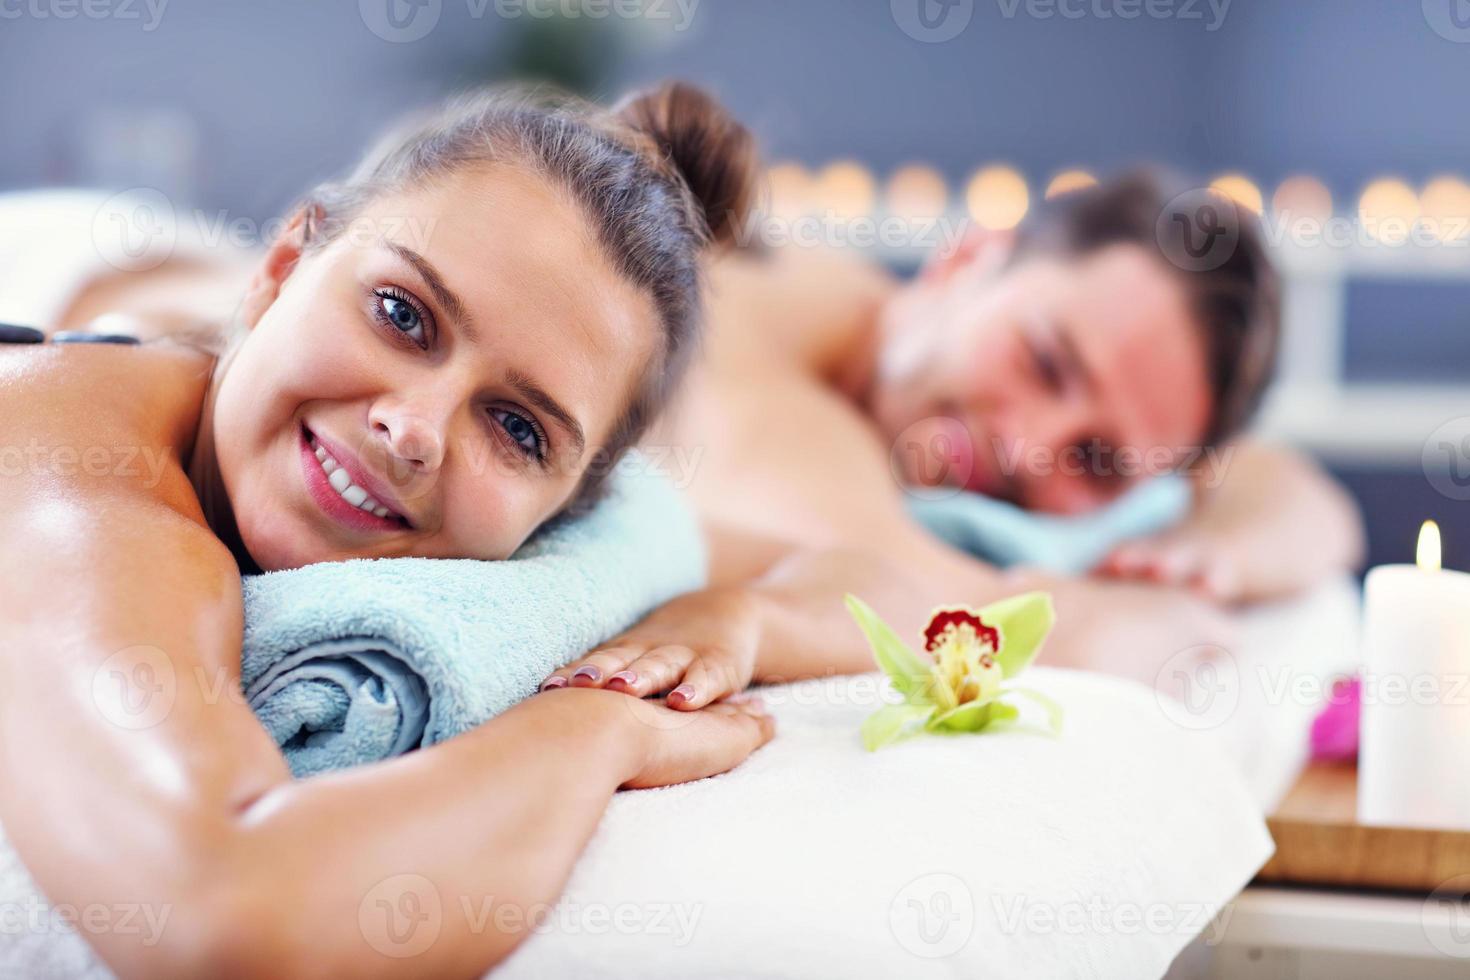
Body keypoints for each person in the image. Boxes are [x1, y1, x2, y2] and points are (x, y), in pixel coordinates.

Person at [0, 83, 777, 976]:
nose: (414, 430)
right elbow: (217, 912)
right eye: (403, 315)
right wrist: (598, 731)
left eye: (517, 428)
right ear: (283, 266)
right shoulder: (75, 464)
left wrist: (728, 620)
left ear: (561, 521)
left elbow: (854, 571)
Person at [546, 171, 1364, 705]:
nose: (1029, 447)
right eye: (1044, 362)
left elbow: (1298, 495)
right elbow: (946, 615)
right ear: (967, 259)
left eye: (1097, 460)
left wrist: (1216, 552)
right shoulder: (735, 321)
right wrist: (1121, 618)